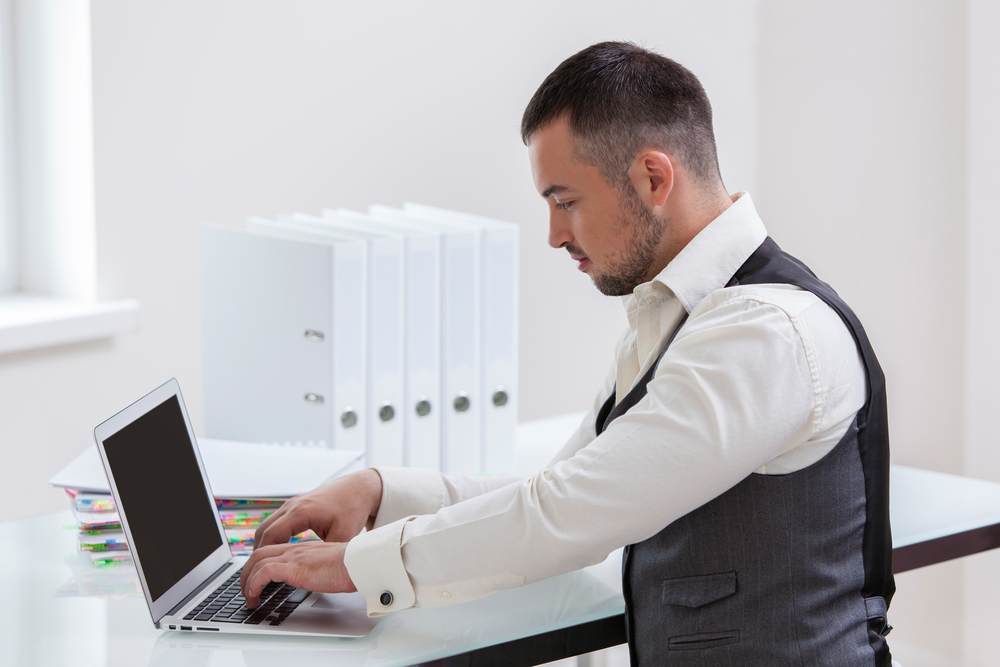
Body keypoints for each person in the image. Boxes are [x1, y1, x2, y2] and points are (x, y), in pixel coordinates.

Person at [240, 42, 895, 665]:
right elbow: (567, 484)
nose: (555, 235)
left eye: (566, 202)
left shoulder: (765, 333)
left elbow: (568, 513)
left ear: (653, 177)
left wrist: (358, 565)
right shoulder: (679, 313)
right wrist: (383, 492)